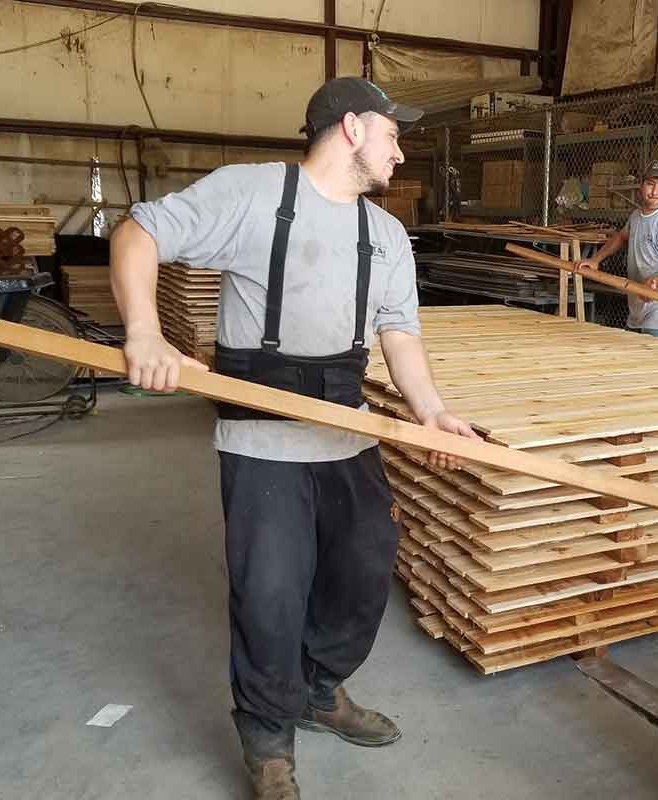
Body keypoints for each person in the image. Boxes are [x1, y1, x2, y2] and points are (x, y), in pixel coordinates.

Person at [109, 77, 479, 800]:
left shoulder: (386, 234)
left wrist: (431, 411)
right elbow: (137, 231)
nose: (401, 152)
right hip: (260, 439)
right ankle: (268, 736)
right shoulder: (250, 194)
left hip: (346, 433)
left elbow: (399, 333)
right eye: (393, 135)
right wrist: (145, 333)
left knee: (365, 574)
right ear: (350, 127)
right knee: (268, 595)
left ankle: (321, 690)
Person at [576, 161, 658, 341]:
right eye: (650, 184)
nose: (655, 192)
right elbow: (621, 237)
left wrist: (655, 282)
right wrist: (596, 260)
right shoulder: (637, 215)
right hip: (641, 307)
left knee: (651, 366)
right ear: (641, 184)